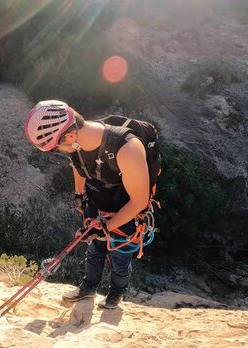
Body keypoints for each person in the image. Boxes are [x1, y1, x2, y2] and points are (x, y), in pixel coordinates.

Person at [24, 99, 154, 309]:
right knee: (94, 251)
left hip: (126, 212)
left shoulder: (128, 148)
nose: (61, 150)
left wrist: (105, 227)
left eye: (58, 146)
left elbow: (138, 201)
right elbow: (79, 165)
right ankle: (88, 289)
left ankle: (116, 293)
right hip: (96, 202)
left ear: (70, 135)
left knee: (120, 258)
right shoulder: (78, 142)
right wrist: (79, 195)